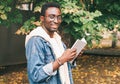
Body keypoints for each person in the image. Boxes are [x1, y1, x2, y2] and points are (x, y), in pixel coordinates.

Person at [25, 2, 79, 84]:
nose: (56, 21)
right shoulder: (36, 40)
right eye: (51, 17)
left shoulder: (56, 38)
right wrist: (61, 60)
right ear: (42, 18)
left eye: (59, 17)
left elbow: (64, 66)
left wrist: (73, 56)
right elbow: (35, 75)